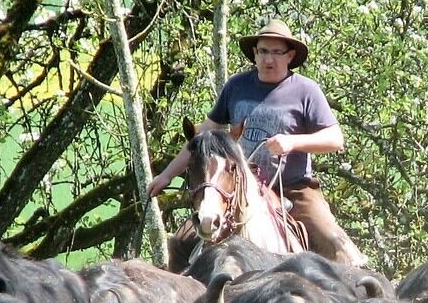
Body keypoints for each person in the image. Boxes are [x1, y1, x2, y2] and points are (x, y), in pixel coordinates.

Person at [149, 19, 367, 269]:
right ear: (254, 53)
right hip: (239, 187)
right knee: (180, 241)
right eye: (263, 51)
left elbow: (334, 139)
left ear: (290, 55)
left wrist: (292, 142)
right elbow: (203, 139)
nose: (268, 59)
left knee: (332, 240)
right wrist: (166, 175)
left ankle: (358, 292)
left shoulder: (306, 91)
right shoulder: (237, 86)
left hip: (294, 189)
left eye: (276, 52)